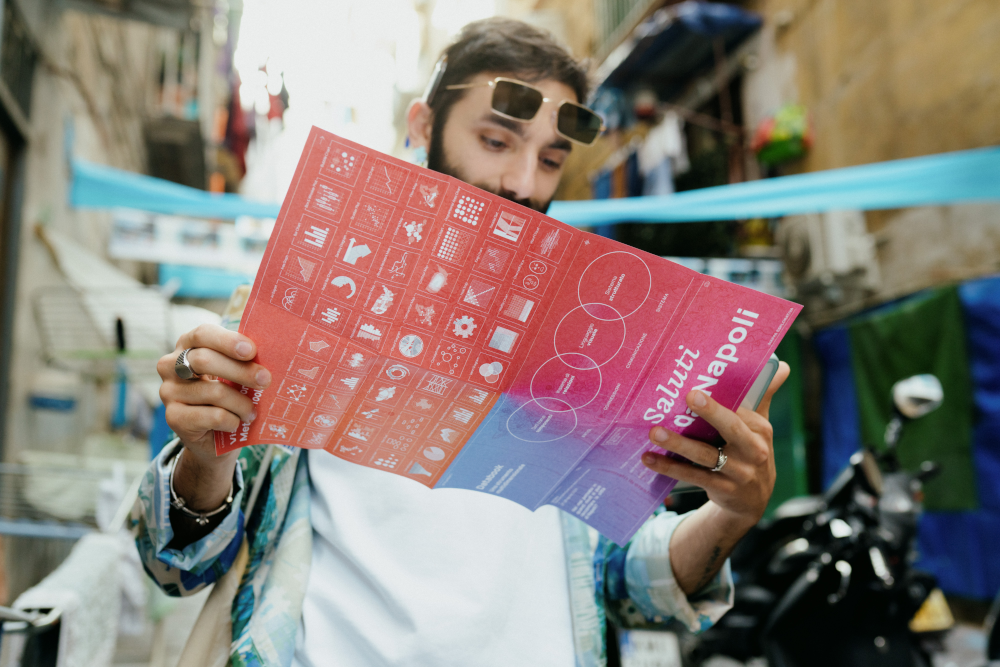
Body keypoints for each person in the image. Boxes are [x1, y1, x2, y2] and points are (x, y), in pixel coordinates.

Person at [137, 17, 790, 667]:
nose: (523, 183)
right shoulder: (309, 302)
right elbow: (176, 567)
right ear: (423, 127)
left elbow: (621, 582)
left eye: (551, 159)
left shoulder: (587, 344)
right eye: (496, 140)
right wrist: (206, 454)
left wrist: (731, 511)